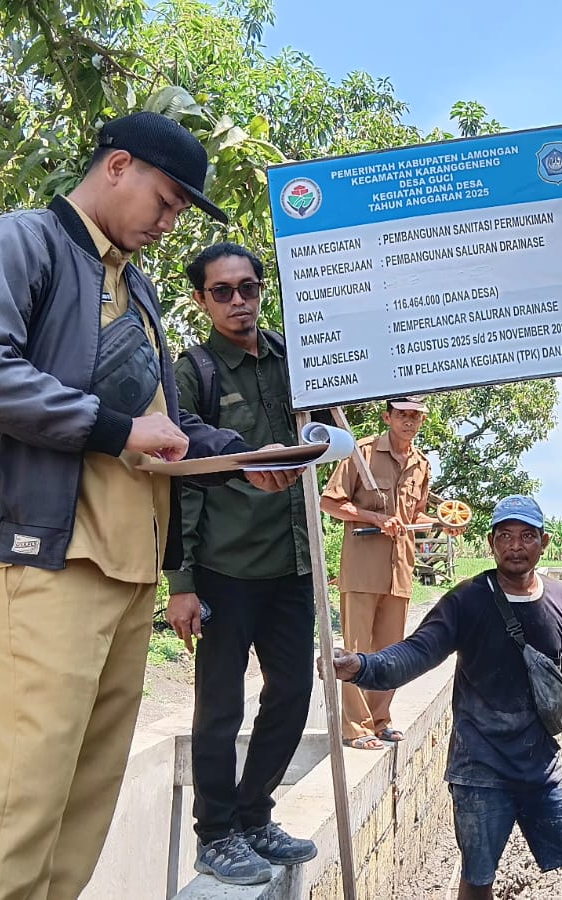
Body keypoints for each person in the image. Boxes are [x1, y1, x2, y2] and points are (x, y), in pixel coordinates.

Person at [0, 112, 296, 900]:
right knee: (18, 801)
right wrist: (115, 427)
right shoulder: (22, 242)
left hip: (129, 574)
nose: (169, 225)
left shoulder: (139, 288)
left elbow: (159, 422)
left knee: (85, 802)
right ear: (118, 166)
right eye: (166, 203)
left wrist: (239, 457)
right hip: (43, 558)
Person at [330, 495, 562, 899]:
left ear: (544, 542)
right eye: (506, 536)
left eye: (526, 537)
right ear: (491, 543)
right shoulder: (468, 599)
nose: (516, 546)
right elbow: (417, 652)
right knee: (478, 878)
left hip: (541, 764)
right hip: (479, 766)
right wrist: (363, 666)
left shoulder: (561, 600)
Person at [161, 243, 319, 884]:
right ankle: (216, 834)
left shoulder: (299, 361)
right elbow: (179, 482)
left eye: (248, 288)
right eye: (222, 292)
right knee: (219, 709)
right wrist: (182, 583)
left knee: (294, 694)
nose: (238, 302)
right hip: (225, 570)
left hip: (293, 564)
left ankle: (255, 816)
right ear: (201, 300)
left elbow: (331, 425)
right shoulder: (192, 371)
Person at [319, 396, 455, 750]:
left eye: (416, 416)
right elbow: (330, 502)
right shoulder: (361, 453)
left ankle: (381, 720)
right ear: (388, 417)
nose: (410, 421)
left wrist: (443, 522)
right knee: (356, 648)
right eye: (403, 415)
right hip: (363, 569)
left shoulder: (421, 464)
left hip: (400, 572)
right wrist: (374, 518)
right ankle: (356, 727)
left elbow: (417, 517)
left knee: (391, 650)